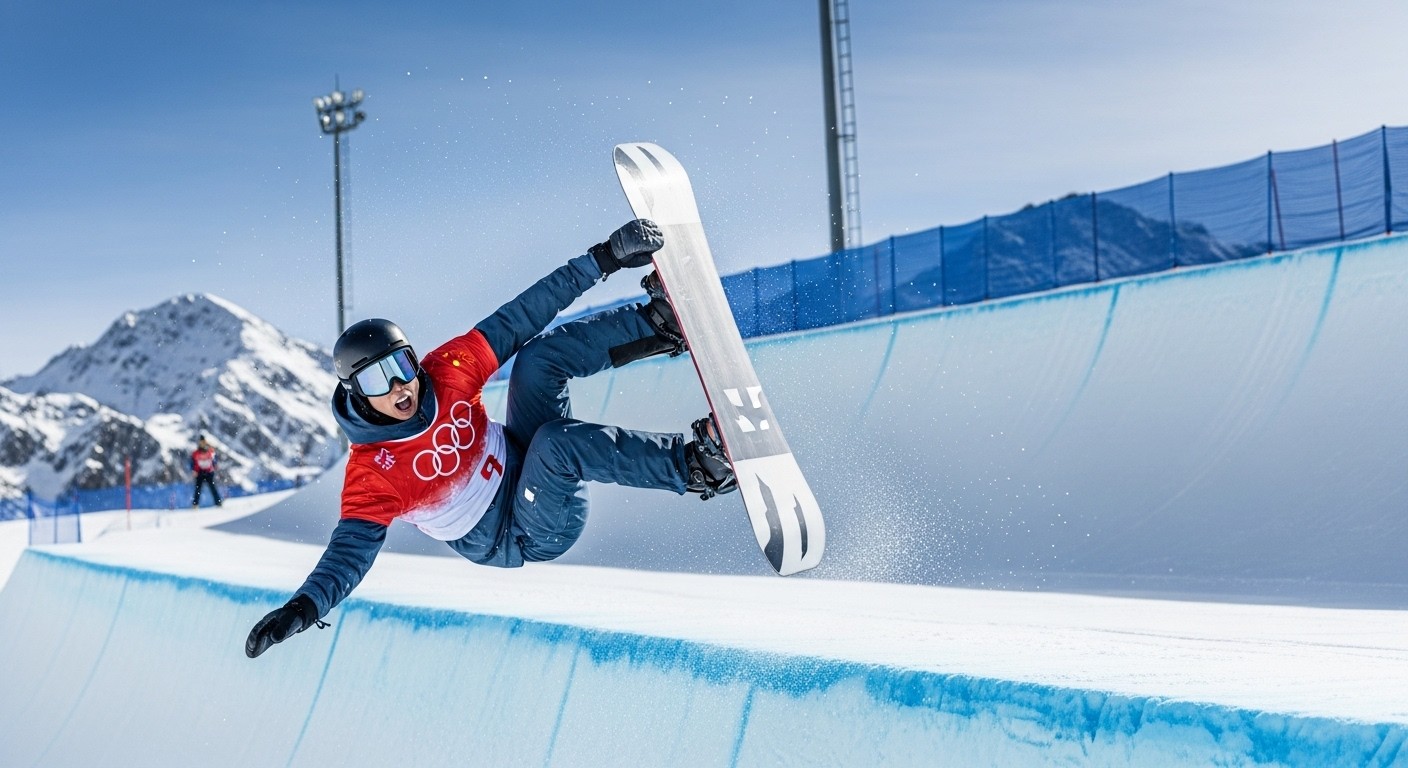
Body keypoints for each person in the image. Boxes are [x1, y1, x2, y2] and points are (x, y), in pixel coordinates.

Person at [246, 219, 736, 658]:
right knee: (556, 445)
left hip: (524, 456)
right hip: (522, 532)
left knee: (537, 360)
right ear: (357, 395)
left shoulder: (448, 371)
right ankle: (696, 466)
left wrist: (605, 257)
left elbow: (522, 315)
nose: (399, 388)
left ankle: (658, 324)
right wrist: (305, 606)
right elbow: (349, 552)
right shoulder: (373, 472)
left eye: (400, 367)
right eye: (378, 382)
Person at [191, 436, 222, 508]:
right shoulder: (196, 453)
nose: (202, 443)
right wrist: (194, 470)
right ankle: (195, 504)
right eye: (201, 442)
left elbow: (214, 459)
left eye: (203, 442)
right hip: (200, 472)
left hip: (209, 472)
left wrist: (215, 465)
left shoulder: (210, 451)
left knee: (212, 487)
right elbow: (193, 462)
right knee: (198, 489)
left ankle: (218, 502)